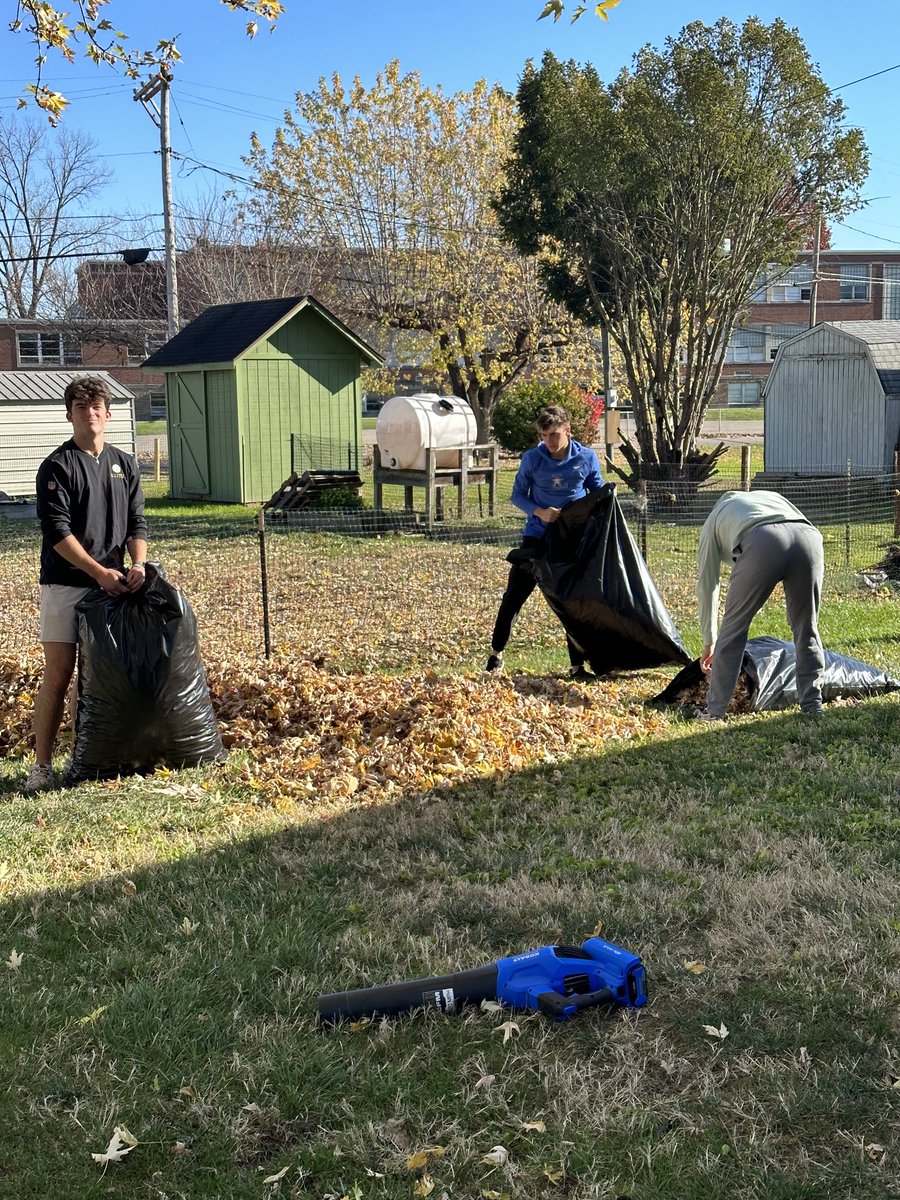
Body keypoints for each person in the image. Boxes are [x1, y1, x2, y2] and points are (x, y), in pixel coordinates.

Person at [25, 376, 149, 793]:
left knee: (100, 677)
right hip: (66, 585)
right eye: (81, 407)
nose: (90, 413)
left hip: (113, 588)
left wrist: (139, 564)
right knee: (59, 674)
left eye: (96, 406)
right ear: (69, 415)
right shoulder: (57, 466)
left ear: (108, 414)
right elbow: (56, 532)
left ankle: (89, 759)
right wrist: (98, 572)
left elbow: (137, 523)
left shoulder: (125, 463)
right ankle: (41, 767)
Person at [487, 404, 603, 677]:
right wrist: (540, 511)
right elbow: (517, 495)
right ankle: (495, 655)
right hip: (537, 537)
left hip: (570, 540)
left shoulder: (586, 458)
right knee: (514, 595)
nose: (548, 442)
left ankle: (577, 667)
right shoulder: (533, 458)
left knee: (573, 602)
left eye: (554, 435)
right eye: (543, 435)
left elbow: (597, 494)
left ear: (568, 431)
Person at [695, 489, 825, 721]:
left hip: (763, 540)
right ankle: (812, 705)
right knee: (807, 627)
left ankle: (714, 713)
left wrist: (709, 641)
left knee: (734, 629)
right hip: (809, 538)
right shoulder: (768, 496)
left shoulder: (713, 521)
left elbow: (707, 585)